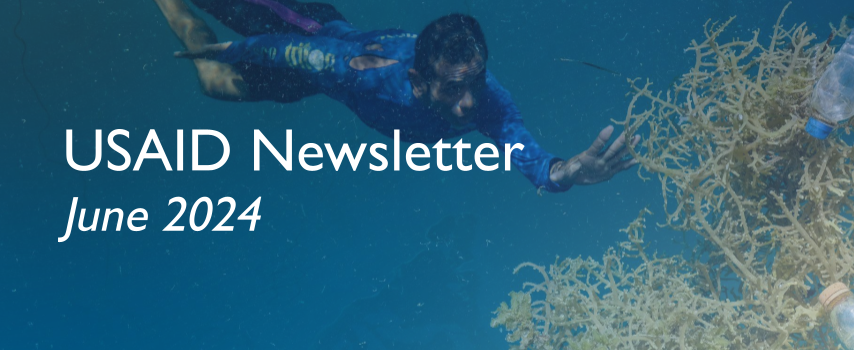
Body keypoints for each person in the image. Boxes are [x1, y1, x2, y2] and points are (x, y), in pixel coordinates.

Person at [154, 0, 641, 192]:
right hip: (305, 26)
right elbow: (296, 52)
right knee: (212, 58)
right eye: (453, 90)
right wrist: (236, 48)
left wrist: (567, 173)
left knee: (214, 87)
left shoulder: (489, 99)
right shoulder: (366, 75)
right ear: (416, 83)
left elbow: (531, 159)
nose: (469, 104)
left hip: (317, 75)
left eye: (474, 83)